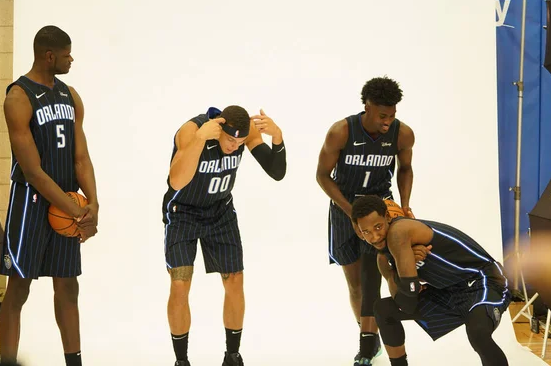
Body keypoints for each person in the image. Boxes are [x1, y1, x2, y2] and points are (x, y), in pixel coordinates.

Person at [0, 26, 99, 366]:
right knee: (18, 290)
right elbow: (33, 172)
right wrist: (75, 210)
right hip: (31, 205)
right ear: (49, 55)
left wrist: (93, 205)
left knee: (68, 287)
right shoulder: (18, 97)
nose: (72, 59)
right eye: (67, 54)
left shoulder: (71, 96)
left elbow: (81, 157)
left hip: (68, 204)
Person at [162, 106, 286, 366]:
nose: (234, 146)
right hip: (183, 212)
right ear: (219, 128)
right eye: (230, 139)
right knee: (180, 282)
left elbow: (277, 172)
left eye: (240, 142)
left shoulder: (245, 133)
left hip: (220, 212)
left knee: (235, 280)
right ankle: (181, 360)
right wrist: (199, 140)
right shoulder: (191, 131)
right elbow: (176, 181)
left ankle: (232, 355)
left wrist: (277, 137)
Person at [315, 76, 415, 364]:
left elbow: (406, 168)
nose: (388, 121)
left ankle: (369, 343)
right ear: (367, 107)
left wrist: (405, 205)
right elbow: (322, 176)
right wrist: (350, 212)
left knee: (375, 278)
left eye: (392, 115)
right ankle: (368, 337)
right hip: (345, 208)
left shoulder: (402, 134)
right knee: (356, 284)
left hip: (379, 210)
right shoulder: (341, 132)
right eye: (382, 115)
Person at [351, 195, 511, 366]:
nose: (375, 236)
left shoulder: (399, 232)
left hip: (483, 280)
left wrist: (407, 277)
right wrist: (405, 267)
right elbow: (407, 304)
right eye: (366, 232)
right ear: (360, 232)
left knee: (478, 333)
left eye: (378, 227)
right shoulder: (383, 259)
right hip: (449, 291)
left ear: (389, 218)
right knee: (383, 309)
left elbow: (410, 290)